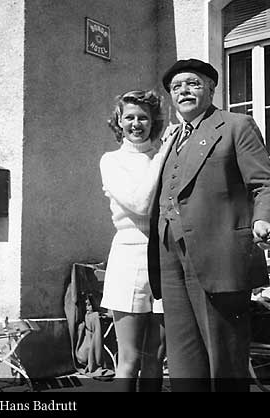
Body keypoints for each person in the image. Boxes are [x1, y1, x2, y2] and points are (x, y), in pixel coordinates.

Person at [147, 58, 270, 392]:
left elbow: (265, 185)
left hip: (219, 257)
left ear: (211, 88)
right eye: (176, 87)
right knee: (183, 361)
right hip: (170, 257)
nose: (183, 91)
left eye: (192, 83)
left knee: (224, 364)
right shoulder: (171, 139)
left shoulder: (236, 125)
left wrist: (264, 218)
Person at [99, 90, 170, 392]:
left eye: (143, 117)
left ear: (154, 121)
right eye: (129, 117)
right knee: (129, 360)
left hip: (165, 259)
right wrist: (162, 155)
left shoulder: (164, 156)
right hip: (129, 259)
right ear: (119, 121)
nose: (136, 123)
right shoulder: (112, 161)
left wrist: (162, 154)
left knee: (155, 359)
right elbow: (140, 204)